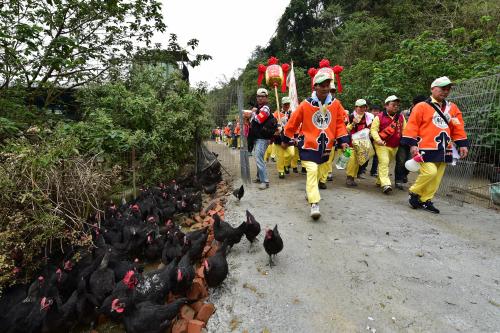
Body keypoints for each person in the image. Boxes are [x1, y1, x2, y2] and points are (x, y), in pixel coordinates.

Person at [284, 72, 348, 219]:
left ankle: (311, 192)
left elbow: (339, 123)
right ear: (315, 86)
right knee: (311, 171)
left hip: (326, 147)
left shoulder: (336, 104)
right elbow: (293, 122)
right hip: (308, 145)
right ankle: (314, 203)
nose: (326, 88)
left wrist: (344, 140)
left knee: (320, 172)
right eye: (322, 86)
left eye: (328, 85)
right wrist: (286, 137)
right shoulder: (305, 104)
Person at [402, 76, 469, 213]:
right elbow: (412, 125)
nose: (445, 91)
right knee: (430, 172)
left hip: (445, 147)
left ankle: (426, 200)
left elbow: (458, 127)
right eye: (442, 88)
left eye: (448, 89)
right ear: (432, 89)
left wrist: (462, 143)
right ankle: (414, 191)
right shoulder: (422, 106)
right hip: (425, 146)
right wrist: (412, 144)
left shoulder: (452, 108)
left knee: (437, 177)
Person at [370, 95, 406, 194]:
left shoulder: (401, 117)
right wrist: (378, 140)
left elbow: (405, 130)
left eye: (397, 105)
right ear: (386, 105)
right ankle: (386, 184)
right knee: (384, 162)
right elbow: (373, 130)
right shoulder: (379, 117)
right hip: (382, 145)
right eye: (393, 105)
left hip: (395, 146)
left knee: (386, 163)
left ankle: (379, 180)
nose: (396, 107)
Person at [394, 95, 427, 189]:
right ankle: (398, 180)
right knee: (400, 161)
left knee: (410, 161)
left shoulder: (426, 114)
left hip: (416, 142)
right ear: (413, 104)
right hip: (402, 141)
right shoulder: (404, 114)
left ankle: (404, 174)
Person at [345, 99, 374, 186]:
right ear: (355, 107)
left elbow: (371, 129)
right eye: (359, 107)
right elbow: (346, 130)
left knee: (358, 161)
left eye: (363, 107)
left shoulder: (369, 117)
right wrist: (353, 123)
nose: (361, 109)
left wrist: (370, 134)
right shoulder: (350, 117)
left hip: (362, 144)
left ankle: (352, 178)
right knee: (351, 160)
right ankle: (349, 178)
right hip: (351, 142)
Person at [249, 88, 272, 190]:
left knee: (259, 158)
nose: (260, 98)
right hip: (258, 137)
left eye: (262, 96)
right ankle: (259, 177)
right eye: (258, 96)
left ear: (267, 97)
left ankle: (264, 181)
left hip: (262, 138)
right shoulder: (259, 108)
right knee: (258, 157)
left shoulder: (266, 108)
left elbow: (258, 119)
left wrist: (252, 113)